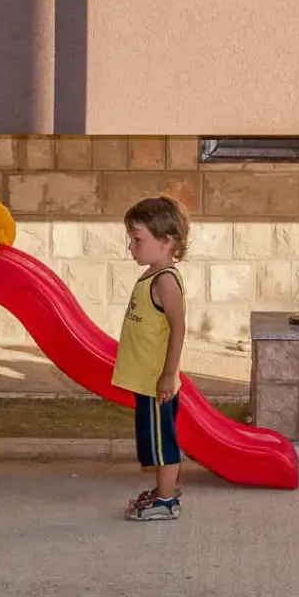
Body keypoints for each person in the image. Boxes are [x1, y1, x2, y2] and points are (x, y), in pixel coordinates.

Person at [111, 196, 190, 521]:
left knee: (162, 444)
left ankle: (166, 501)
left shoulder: (165, 280)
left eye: (137, 239)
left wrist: (168, 376)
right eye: (131, 239)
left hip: (156, 383)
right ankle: (162, 491)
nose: (131, 247)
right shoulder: (152, 274)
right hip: (147, 380)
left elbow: (178, 328)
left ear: (166, 241)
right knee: (155, 441)